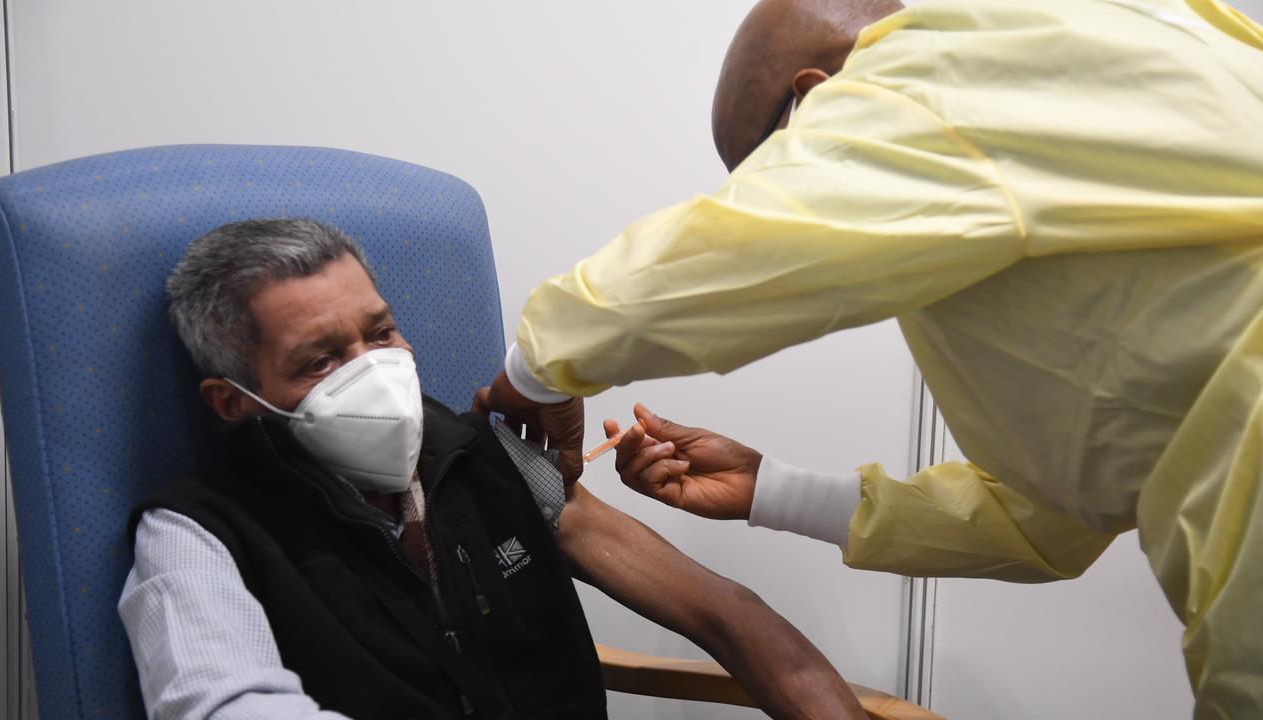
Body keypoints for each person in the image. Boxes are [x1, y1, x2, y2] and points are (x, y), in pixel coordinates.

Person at [474, 0, 1263, 717]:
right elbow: (1048, 519)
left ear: (818, 100)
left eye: (774, 172)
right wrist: (768, 489)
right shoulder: (1132, 51)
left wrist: (539, 367)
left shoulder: (939, 71)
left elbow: (740, 248)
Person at [117, 219, 867, 720]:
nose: (374, 372)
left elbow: (726, 613)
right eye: (321, 360)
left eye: (381, 333)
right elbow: (229, 708)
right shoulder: (196, 535)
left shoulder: (485, 457)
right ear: (231, 401)